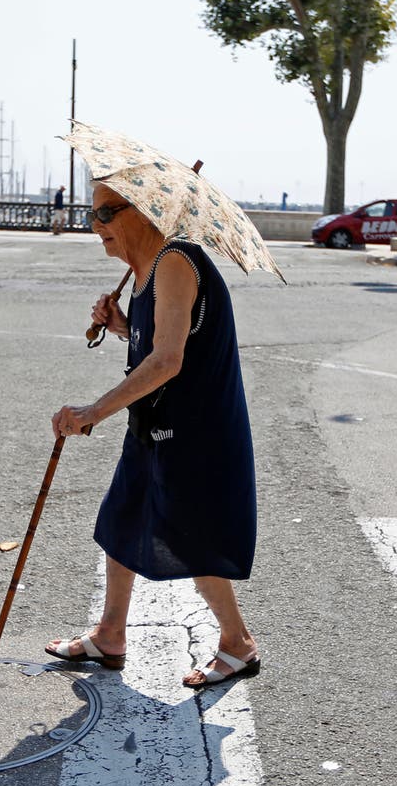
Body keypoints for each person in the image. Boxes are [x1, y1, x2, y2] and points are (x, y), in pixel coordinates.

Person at [46, 183, 260, 688]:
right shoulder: (148, 269)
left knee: (189, 536)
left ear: (140, 212)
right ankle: (110, 634)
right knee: (122, 518)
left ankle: (238, 643)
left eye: (102, 213)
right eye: (92, 212)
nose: (94, 225)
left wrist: (94, 410)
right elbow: (159, 338)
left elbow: (168, 359)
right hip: (154, 424)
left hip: (192, 430)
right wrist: (122, 325)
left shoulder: (174, 262)